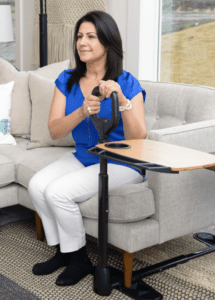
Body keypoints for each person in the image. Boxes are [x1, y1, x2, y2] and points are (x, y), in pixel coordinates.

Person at [28, 10, 147, 287]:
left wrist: (119, 97)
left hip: (122, 162)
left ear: (107, 42)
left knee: (58, 192)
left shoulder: (127, 82)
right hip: (85, 156)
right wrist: (81, 111)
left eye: (91, 36)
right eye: (80, 36)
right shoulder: (67, 79)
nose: (82, 42)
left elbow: (138, 138)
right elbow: (55, 131)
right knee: (37, 185)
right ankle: (64, 251)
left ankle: (80, 260)